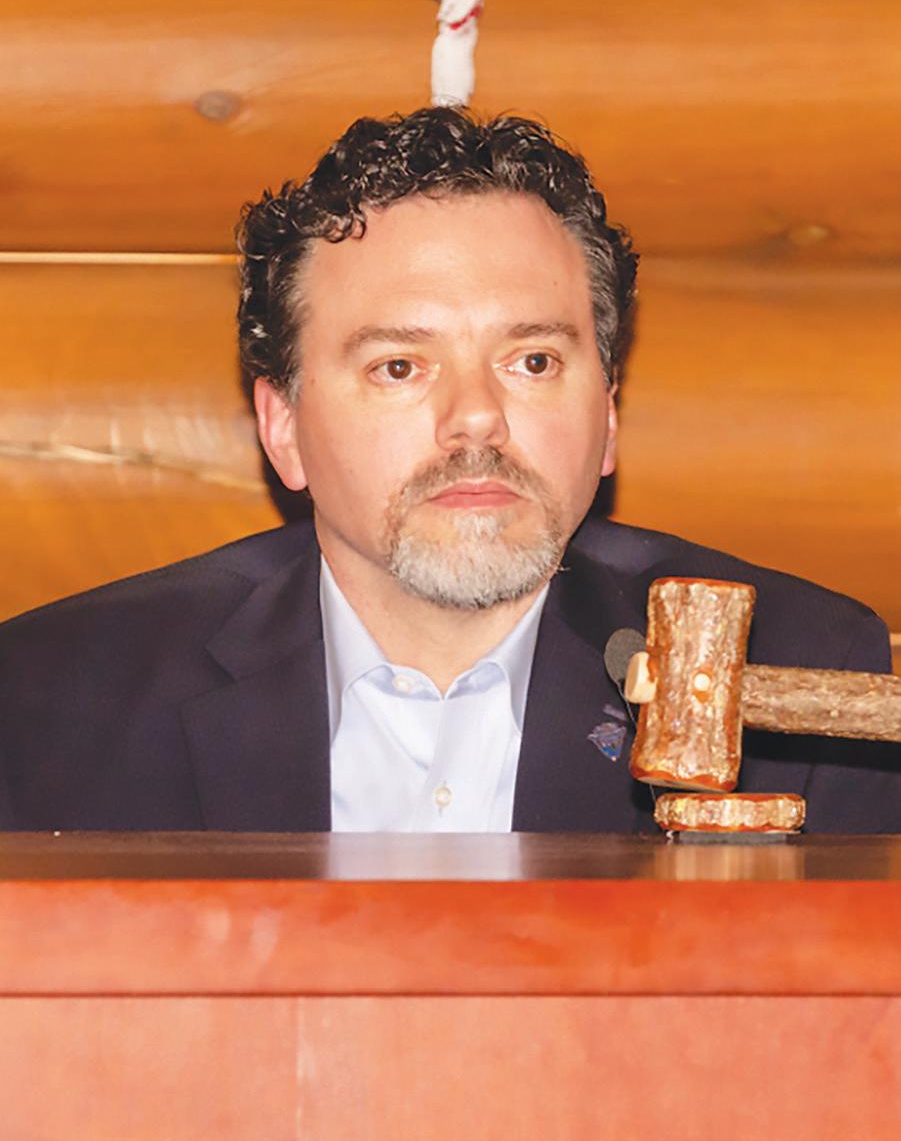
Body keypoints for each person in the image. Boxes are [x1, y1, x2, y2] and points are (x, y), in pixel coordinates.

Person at [0, 108, 897, 834]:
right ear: (284, 428)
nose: (475, 416)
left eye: (532, 361)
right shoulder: (50, 700)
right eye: (399, 366)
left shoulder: (802, 673)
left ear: (607, 414)